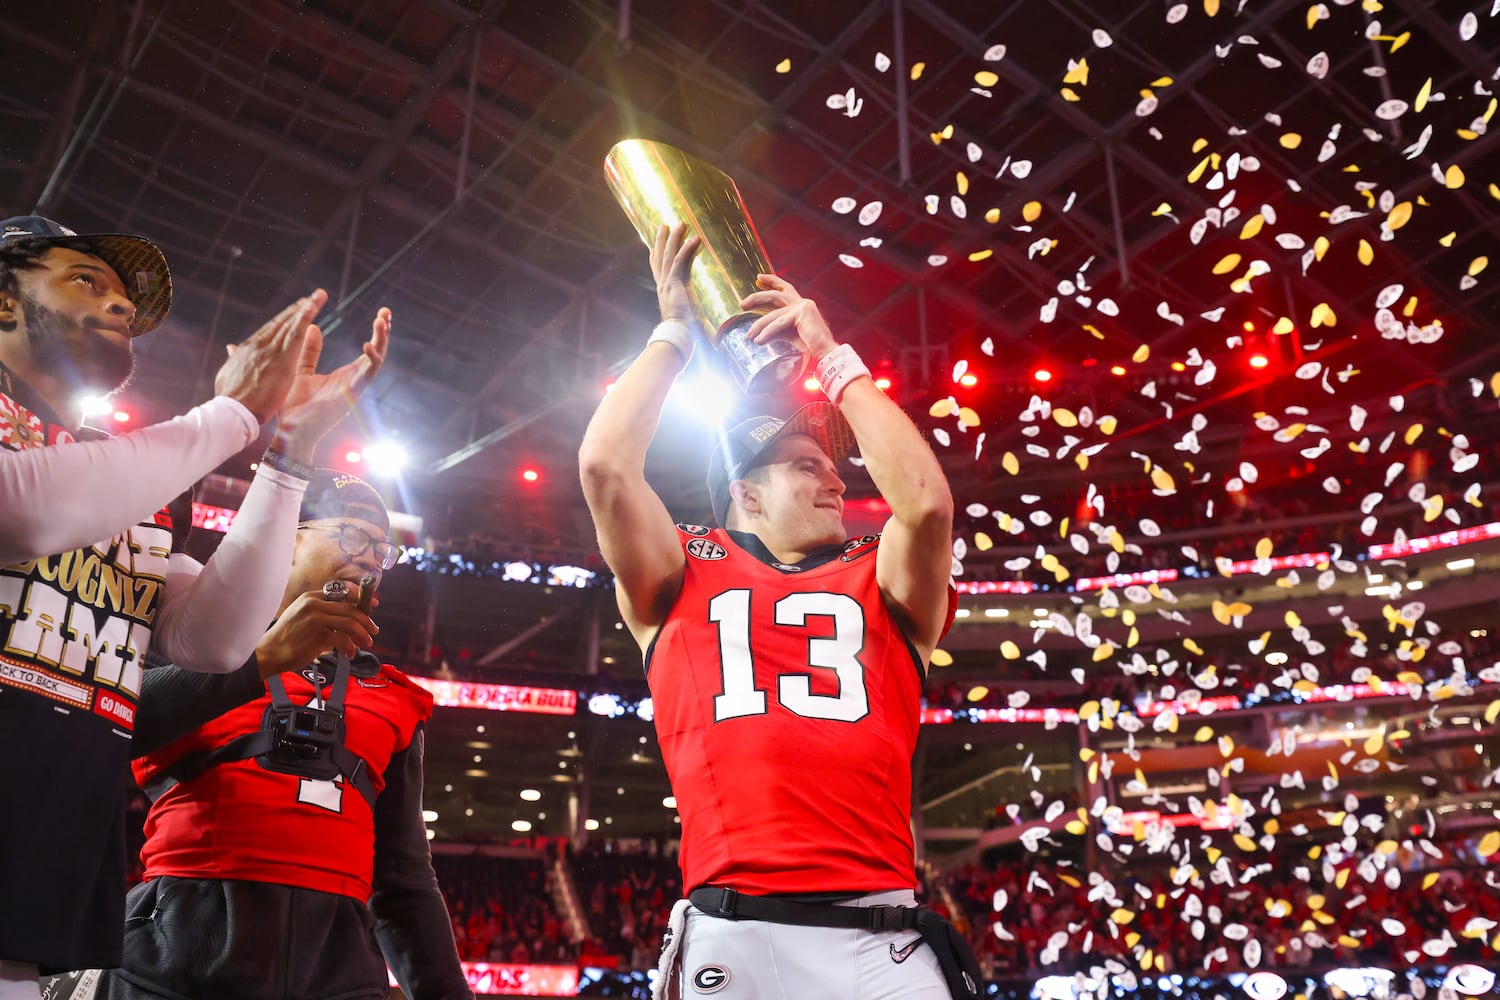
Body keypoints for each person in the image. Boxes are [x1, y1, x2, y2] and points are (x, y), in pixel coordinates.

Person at [579, 223, 975, 999]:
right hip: (739, 930)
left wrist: (834, 357)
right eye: (805, 467)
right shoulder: (685, 565)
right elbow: (604, 466)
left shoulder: (880, 574)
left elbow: (927, 506)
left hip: (884, 933)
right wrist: (671, 336)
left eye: (832, 470)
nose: (833, 483)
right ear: (745, 495)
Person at [0, 215, 388, 997]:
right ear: (5, 300)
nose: (120, 307)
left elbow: (217, 639)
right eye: (87, 279)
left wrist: (288, 453)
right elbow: (22, 511)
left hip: (36, 867)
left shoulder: (115, 482)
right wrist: (231, 415)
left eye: (125, 299)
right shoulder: (81, 480)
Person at [48, 470, 471, 1000]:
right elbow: (95, 727)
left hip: (338, 975)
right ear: (289, 541)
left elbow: (404, 879)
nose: (370, 557)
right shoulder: (191, 644)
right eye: (353, 536)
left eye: (382, 549)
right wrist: (259, 660)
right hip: (178, 959)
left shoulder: (394, 695)